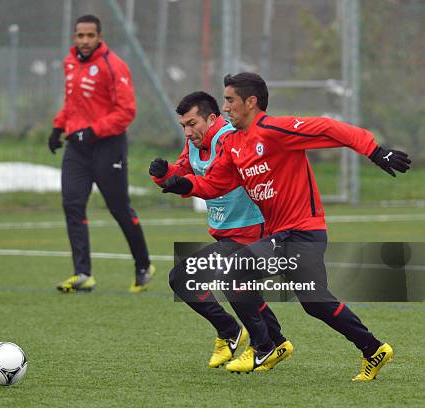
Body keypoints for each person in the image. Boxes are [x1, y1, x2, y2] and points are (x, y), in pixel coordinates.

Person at [161, 72, 410, 380]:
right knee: (316, 303)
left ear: (250, 102)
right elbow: (215, 184)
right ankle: (373, 349)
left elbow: (329, 127)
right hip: (282, 234)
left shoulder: (275, 129)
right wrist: (181, 185)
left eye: (230, 100)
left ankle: (265, 346)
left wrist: (374, 150)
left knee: (236, 271)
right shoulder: (235, 144)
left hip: (303, 231)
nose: (226, 108)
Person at [150, 91, 292, 369]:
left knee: (184, 278)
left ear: (212, 118)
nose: (188, 132)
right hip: (228, 232)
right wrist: (164, 174)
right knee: (242, 290)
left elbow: (219, 179)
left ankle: (243, 337)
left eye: (192, 124)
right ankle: (277, 342)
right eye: (184, 126)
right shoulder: (194, 142)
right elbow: (182, 171)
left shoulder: (229, 140)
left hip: (252, 231)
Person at [48, 15, 153, 293]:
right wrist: (58, 127)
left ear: (99, 36)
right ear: (75, 37)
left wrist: (93, 131)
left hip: (108, 147)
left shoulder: (113, 65)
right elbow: (72, 102)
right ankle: (82, 273)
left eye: (89, 36)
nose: (84, 41)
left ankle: (143, 265)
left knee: (119, 208)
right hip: (77, 148)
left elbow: (126, 111)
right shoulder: (69, 63)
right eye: (79, 36)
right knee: (72, 204)